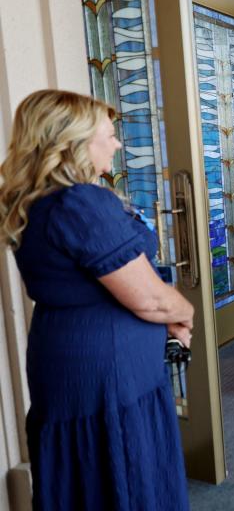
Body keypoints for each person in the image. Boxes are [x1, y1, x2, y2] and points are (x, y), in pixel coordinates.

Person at [0, 90, 193, 510]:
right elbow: (152, 302)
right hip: (108, 376)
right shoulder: (81, 203)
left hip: (68, 360)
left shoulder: (32, 203)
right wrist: (184, 313)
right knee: (123, 473)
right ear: (74, 143)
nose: (118, 143)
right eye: (109, 134)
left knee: (84, 479)